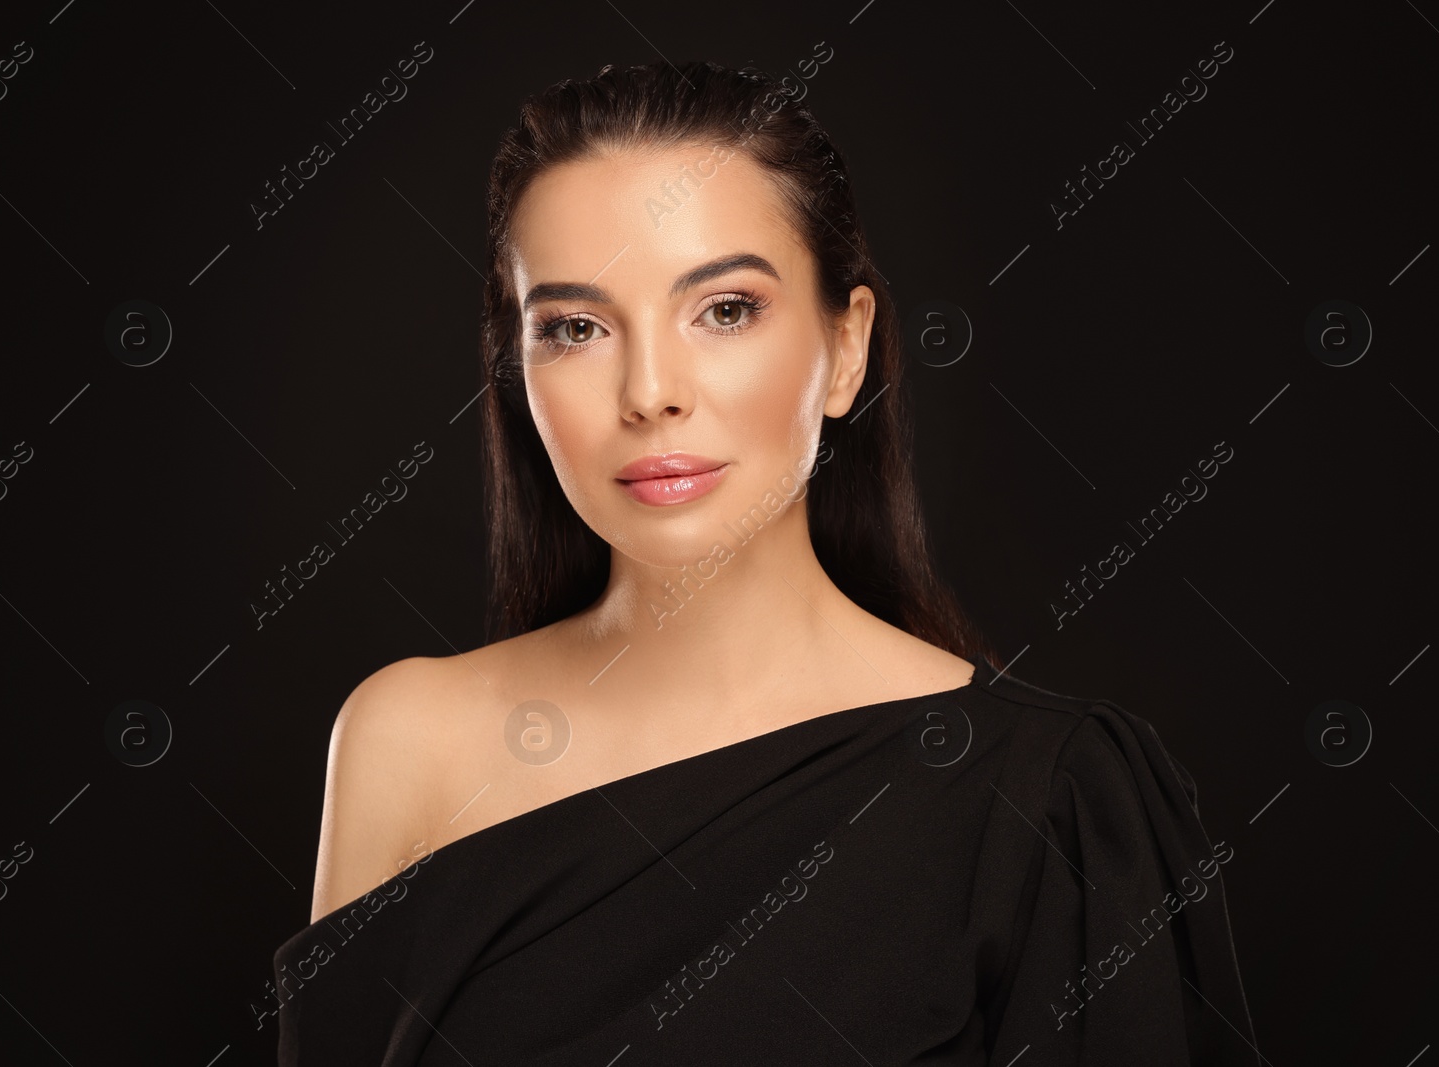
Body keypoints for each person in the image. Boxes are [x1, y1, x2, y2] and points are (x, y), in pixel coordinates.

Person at [272, 59, 1260, 1065]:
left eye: (725, 308)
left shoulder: (1050, 798)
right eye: (574, 327)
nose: (649, 391)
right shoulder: (406, 741)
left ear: (846, 348)